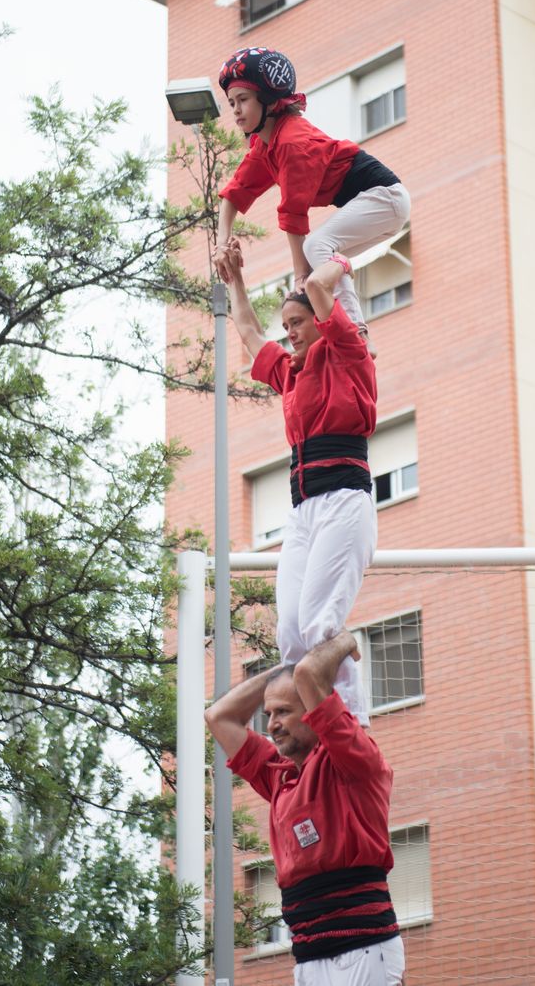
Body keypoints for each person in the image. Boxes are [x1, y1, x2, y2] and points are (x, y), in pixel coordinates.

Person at [224, 242, 376, 724]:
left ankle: (351, 723)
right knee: (290, 634)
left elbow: (315, 284)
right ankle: (313, 729)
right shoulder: (290, 373)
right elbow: (249, 331)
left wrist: (339, 262)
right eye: (286, 325)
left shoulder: (348, 353)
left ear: (322, 321)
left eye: (297, 323)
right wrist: (235, 280)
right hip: (303, 509)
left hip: (343, 500)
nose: (288, 332)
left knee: (319, 624)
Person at [205, 631, 406, 985]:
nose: (272, 724)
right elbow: (218, 716)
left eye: (283, 711)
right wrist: (280, 672)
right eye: (268, 713)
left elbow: (308, 673)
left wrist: (343, 642)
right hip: (308, 958)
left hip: (364, 948)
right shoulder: (278, 776)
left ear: (314, 713)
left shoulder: (352, 759)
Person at [213, 47, 410, 346]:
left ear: (269, 100)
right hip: (381, 205)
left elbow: (293, 215)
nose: (236, 110)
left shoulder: (291, 142)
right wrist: (221, 245)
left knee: (316, 247)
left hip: (384, 197)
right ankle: (339, 333)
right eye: (232, 103)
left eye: (243, 100)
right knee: (323, 262)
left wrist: (300, 277)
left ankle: (356, 332)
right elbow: (233, 194)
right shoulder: (266, 148)